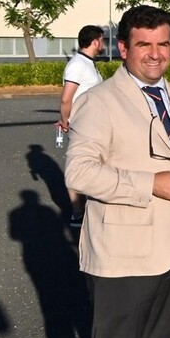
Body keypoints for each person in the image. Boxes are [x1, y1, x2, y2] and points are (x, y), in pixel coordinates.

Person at [65, 5, 170, 338]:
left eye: (163, 44)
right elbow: (79, 171)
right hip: (121, 257)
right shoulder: (98, 101)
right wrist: (149, 183)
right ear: (124, 48)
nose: (156, 54)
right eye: (144, 45)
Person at [58, 24, 104, 227]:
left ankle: (90, 210)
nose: (103, 44)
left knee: (94, 166)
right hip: (81, 124)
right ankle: (77, 213)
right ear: (95, 41)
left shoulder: (87, 63)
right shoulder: (78, 64)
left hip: (93, 124)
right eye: (102, 40)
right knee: (77, 167)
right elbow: (66, 98)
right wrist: (64, 120)